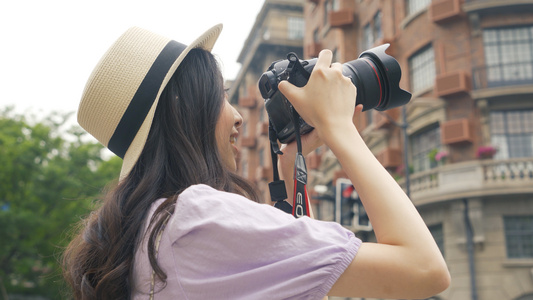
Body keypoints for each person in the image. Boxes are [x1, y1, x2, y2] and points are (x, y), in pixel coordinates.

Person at [62, 24, 450, 300]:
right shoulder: (196, 218)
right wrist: (339, 127)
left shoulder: (147, 228)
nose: (237, 116)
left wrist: (291, 169)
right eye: (222, 96)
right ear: (187, 109)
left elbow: (313, 281)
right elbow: (423, 271)